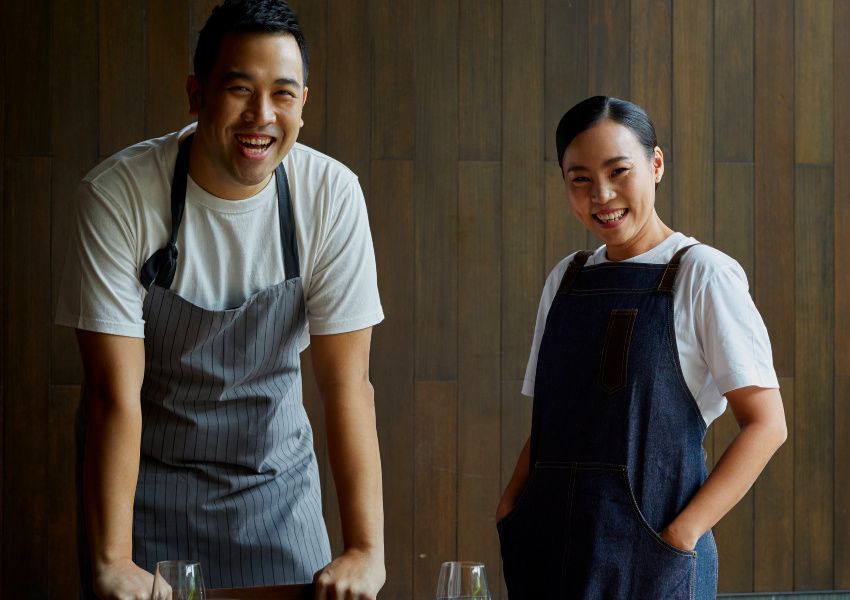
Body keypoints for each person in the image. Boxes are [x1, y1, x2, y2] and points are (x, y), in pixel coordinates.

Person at [56, 1, 385, 598]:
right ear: (196, 93)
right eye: (239, 89)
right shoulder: (117, 196)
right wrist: (112, 559)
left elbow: (348, 383)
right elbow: (112, 394)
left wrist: (365, 550)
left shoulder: (330, 195)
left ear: (303, 104)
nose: (261, 115)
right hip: (148, 498)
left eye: (283, 94)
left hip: (277, 494)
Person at [495, 96, 787, 599]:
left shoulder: (703, 274)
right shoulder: (566, 280)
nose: (601, 195)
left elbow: (768, 424)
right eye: (579, 178)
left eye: (619, 171)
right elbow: (550, 423)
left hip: (653, 561)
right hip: (547, 550)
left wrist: (681, 536)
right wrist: (511, 507)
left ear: (656, 164)